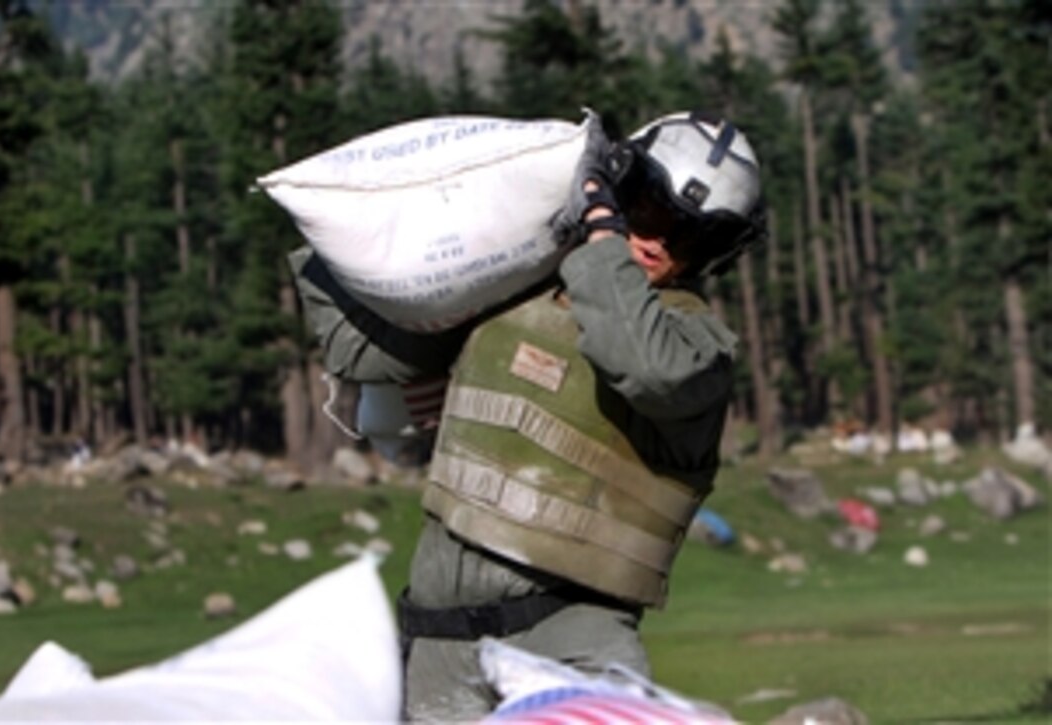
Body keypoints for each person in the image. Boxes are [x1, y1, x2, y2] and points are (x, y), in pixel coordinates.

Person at [289, 110, 765, 722]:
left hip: (570, 647)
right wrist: (356, 219)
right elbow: (362, 351)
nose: (657, 239)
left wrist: (600, 233)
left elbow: (641, 364)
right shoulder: (515, 299)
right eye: (647, 207)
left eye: (690, 236)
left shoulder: (697, 347)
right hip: (436, 652)